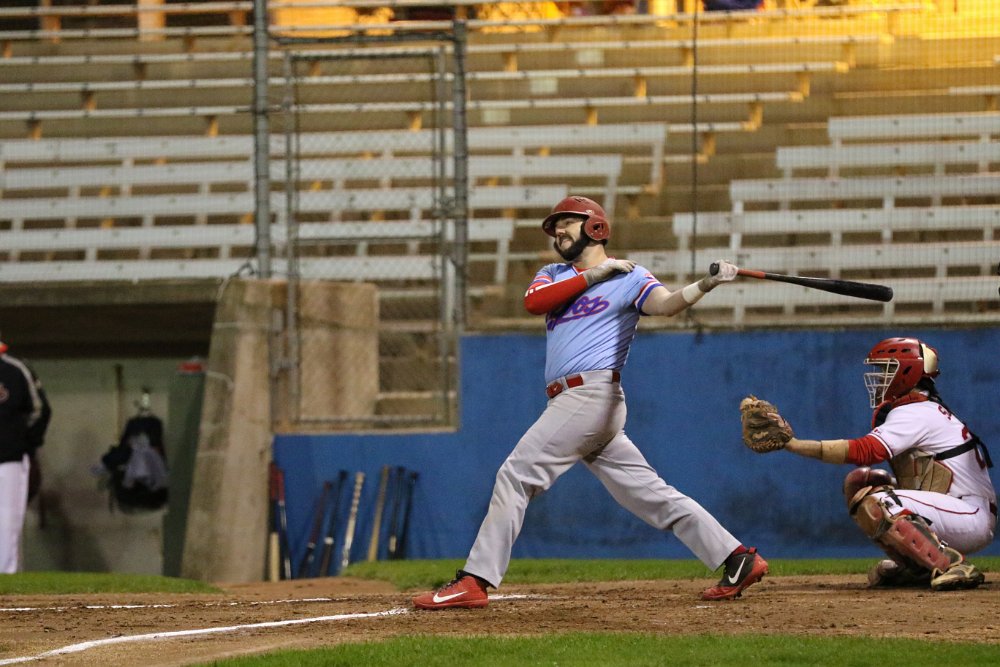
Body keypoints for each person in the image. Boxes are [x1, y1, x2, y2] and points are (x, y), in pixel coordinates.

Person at [412, 195, 767, 609]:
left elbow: (666, 305)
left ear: (596, 227)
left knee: (516, 475)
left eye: (567, 222)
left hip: (592, 394)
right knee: (649, 494)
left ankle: (475, 581)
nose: (559, 231)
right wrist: (595, 274)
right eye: (555, 226)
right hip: (575, 402)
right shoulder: (552, 274)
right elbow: (534, 303)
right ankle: (736, 557)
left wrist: (705, 284)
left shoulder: (630, 276)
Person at [780, 337, 995, 591]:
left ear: (907, 372)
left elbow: (866, 451)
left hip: (968, 515)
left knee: (880, 503)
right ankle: (919, 568)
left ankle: (952, 564)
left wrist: (794, 445)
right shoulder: (922, 407)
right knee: (862, 483)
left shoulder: (917, 411)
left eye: (887, 369)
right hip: (959, 511)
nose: (880, 377)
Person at [0, 339, 51, 574]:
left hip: (9, 458)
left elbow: (40, 410)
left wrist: (24, 443)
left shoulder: (15, 369)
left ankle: (6, 577)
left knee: (7, 521)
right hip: (11, 454)